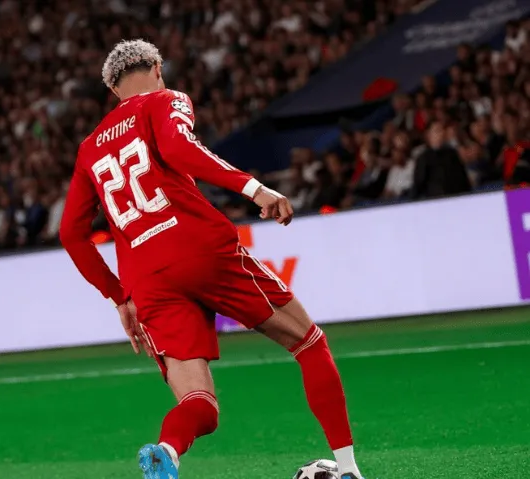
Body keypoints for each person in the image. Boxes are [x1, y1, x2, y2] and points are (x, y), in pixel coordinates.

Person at [59, 39, 365, 479]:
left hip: (147, 279)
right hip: (200, 249)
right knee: (309, 343)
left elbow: (71, 234)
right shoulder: (165, 100)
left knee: (198, 403)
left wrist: (119, 296)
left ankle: (168, 450)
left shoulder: (89, 148)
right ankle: (349, 469)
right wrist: (255, 189)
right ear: (158, 69)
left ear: (113, 90)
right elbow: (178, 149)